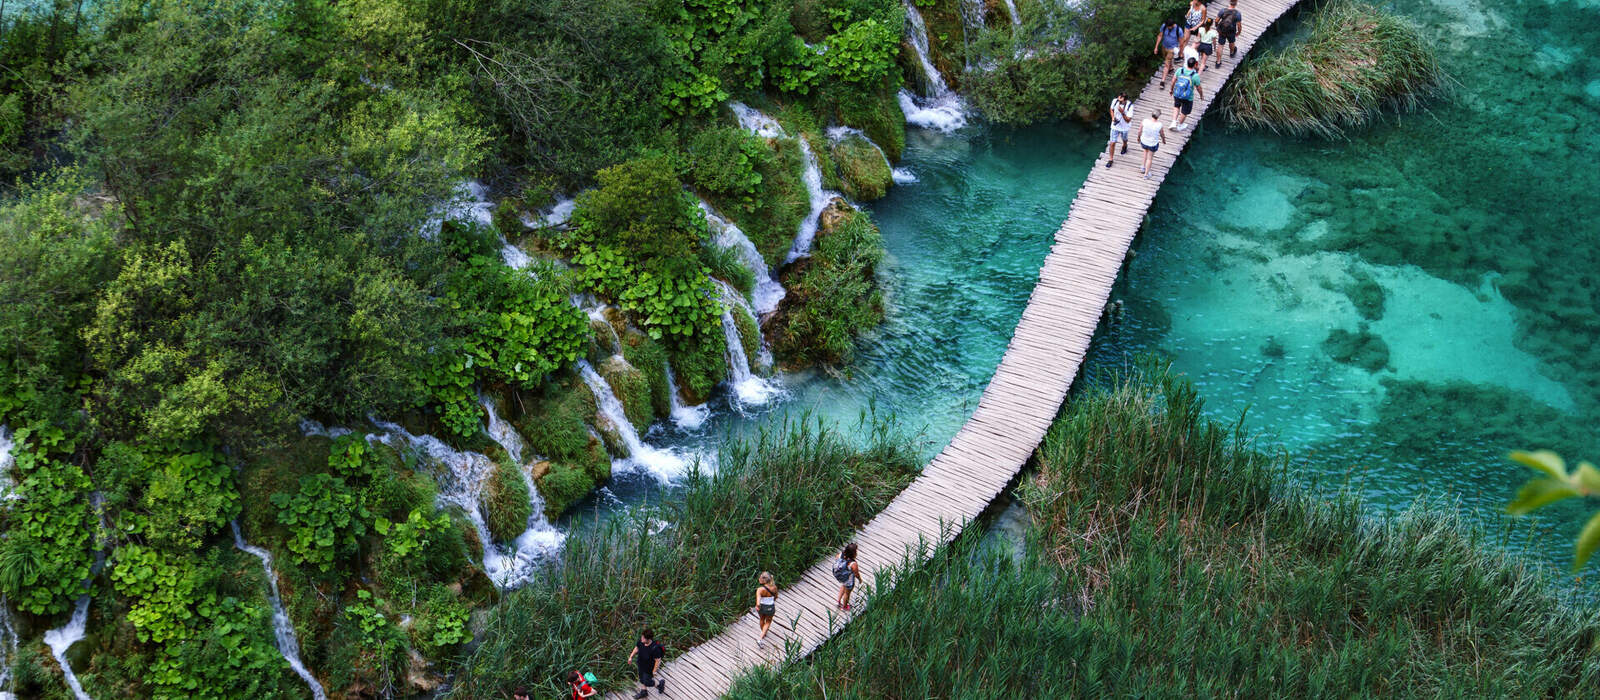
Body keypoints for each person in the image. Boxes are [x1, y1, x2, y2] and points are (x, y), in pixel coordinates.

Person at [627, 629, 666, 699]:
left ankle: (659, 685)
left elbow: (658, 660)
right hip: (640, 664)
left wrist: (654, 671)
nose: (641, 639)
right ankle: (644, 691)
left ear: (648, 639)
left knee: (647, 682)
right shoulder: (641, 642)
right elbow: (636, 648)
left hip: (649, 668)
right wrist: (631, 657)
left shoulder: (655, 648)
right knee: (642, 679)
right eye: (642, 637)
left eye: (643, 638)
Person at [1170, 58, 1204, 132]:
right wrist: (1201, 95)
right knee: (1184, 111)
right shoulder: (1195, 76)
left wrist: (1171, 90)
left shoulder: (1180, 70)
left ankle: (1173, 122)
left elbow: (1173, 81)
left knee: (1176, 106)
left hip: (1177, 93)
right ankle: (1180, 125)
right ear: (1195, 65)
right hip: (1188, 97)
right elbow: (1199, 88)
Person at [1152, 19, 1187, 87]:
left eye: (1169, 27)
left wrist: (1180, 53)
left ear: (1173, 25)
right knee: (1165, 58)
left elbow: (1181, 43)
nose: (1168, 28)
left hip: (1172, 49)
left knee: (1166, 64)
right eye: (1167, 26)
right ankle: (1170, 68)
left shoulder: (1178, 30)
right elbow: (1160, 36)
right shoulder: (1164, 26)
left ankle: (1162, 81)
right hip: (1164, 46)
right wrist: (1156, 47)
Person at [1106, 92, 1133, 168]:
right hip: (1115, 126)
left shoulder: (1130, 106)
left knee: (1124, 139)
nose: (1119, 102)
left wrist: (1122, 112)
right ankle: (1110, 159)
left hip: (1125, 127)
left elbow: (1128, 120)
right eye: (1119, 100)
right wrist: (1113, 118)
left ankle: (1125, 146)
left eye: (1121, 101)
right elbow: (1111, 109)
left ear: (1125, 100)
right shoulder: (1115, 101)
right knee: (1112, 143)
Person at [1138, 112, 1166, 179]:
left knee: (1145, 152)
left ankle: (1143, 167)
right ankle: (1146, 175)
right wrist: (1163, 140)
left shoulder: (1145, 121)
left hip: (1144, 141)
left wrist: (1138, 138)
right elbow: (1162, 134)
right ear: (1158, 116)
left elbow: (1139, 131)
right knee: (1149, 158)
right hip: (1152, 144)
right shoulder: (1159, 125)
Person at [833, 543, 860, 611]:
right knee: (847, 593)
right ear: (854, 553)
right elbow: (856, 574)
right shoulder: (853, 563)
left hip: (840, 576)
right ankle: (845, 606)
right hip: (848, 579)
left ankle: (838, 601)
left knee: (843, 585)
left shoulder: (839, 555)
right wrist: (860, 579)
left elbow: (837, 560)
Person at [755, 571, 779, 647]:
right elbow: (776, 597)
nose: (759, 579)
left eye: (760, 578)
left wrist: (757, 606)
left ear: (764, 580)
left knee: (762, 619)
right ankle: (761, 637)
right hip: (770, 607)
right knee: (768, 621)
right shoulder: (774, 588)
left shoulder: (760, 589)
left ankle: (763, 633)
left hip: (762, 607)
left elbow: (758, 602)